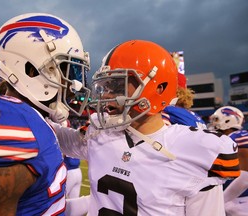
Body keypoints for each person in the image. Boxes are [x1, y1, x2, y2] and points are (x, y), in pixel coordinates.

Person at [49, 39, 240, 215]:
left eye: (117, 86)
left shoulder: (196, 150)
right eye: (106, 86)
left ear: (158, 88)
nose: (106, 95)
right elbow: (55, 137)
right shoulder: (100, 133)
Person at [0, 12, 90, 215]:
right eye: (67, 71)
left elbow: (37, 204)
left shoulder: (33, 120)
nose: (74, 84)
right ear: (31, 69)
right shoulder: (3, 119)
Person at [209, 106, 248, 216]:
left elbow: (245, 177)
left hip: (241, 201)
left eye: (216, 119)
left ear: (228, 120)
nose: (213, 123)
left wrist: (221, 201)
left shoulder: (237, 137)